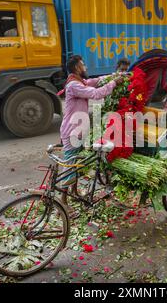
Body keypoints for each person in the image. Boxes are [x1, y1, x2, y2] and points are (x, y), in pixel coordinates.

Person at [59, 55, 124, 216]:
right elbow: (96, 94)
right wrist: (114, 83)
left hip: (78, 131)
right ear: (76, 68)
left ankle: (73, 193)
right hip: (72, 132)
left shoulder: (78, 81)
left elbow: (96, 81)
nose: (85, 67)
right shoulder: (74, 85)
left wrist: (114, 76)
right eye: (83, 65)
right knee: (70, 167)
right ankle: (62, 202)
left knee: (77, 163)